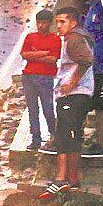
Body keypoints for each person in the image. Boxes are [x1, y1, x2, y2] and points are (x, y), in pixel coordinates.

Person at [39, 7, 95, 198]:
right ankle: (72, 180)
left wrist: (70, 83)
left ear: (73, 23)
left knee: (63, 136)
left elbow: (87, 60)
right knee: (73, 136)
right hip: (78, 95)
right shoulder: (77, 38)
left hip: (74, 96)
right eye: (58, 22)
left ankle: (60, 179)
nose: (58, 26)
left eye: (63, 22)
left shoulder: (74, 39)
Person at [20, 9, 60, 151]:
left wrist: (34, 54)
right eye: (38, 23)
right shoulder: (30, 37)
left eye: (44, 23)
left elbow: (53, 59)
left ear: (50, 23)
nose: (41, 26)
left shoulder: (55, 38)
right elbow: (24, 54)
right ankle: (35, 139)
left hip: (46, 78)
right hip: (28, 77)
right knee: (32, 110)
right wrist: (43, 53)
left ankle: (54, 136)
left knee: (48, 109)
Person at [81, 0, 103, 154]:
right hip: (94, 67)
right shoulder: (93, 7)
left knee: (102, 105)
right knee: (97, 104)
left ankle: (102, 145)